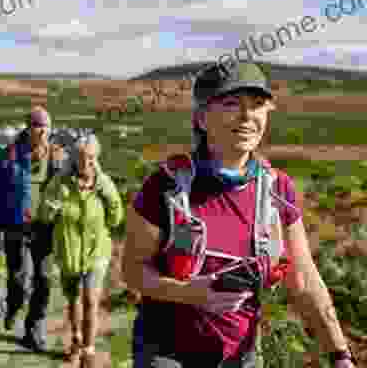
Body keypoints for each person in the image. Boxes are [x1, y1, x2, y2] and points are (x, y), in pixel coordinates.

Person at [122, 62, 357, 368]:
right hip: (167, 353)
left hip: (240, 355)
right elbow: (132, 271)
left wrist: (339, 355)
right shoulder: (166, 185)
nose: (247, 116)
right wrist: (187, 293)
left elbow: (304, 279)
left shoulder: (278, 189)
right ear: (202, 118)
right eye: (231, 104)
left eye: (258, 105)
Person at [0, 106, 67, 351]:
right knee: (19, 279)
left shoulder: (57, 156)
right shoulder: (9, 155)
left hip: (45, 227)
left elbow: (69, 189)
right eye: (36, 125)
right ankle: (13, 306)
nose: (41, 130)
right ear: (28, 127)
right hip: (15, 226)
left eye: (45, 126)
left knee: (43, 280)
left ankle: (34, 331)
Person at [38, 134, 124, 368]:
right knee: (73, 299)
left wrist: (107, 194)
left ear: (96, 158)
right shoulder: (60, 182)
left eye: (91, 158)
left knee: (90, 299)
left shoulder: (103, 183)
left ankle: (88, 350)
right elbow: (44, 217)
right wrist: (55, 201)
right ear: (74, 159)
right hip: (68, 250)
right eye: (81, 158)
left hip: (97, 251)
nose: (86, 163)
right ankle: (76, 339)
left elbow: (116, 219)